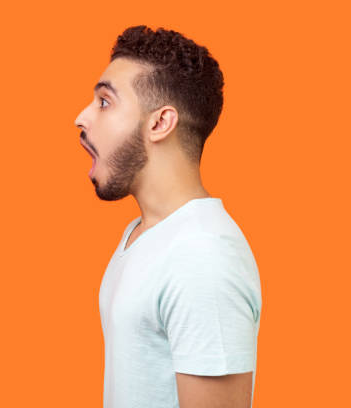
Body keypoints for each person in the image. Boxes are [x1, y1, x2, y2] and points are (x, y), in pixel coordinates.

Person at [74, 25, 262, 408]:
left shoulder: (203, 256)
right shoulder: (143, 234)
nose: (82, 118)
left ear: (160, 123)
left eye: (105, 102)